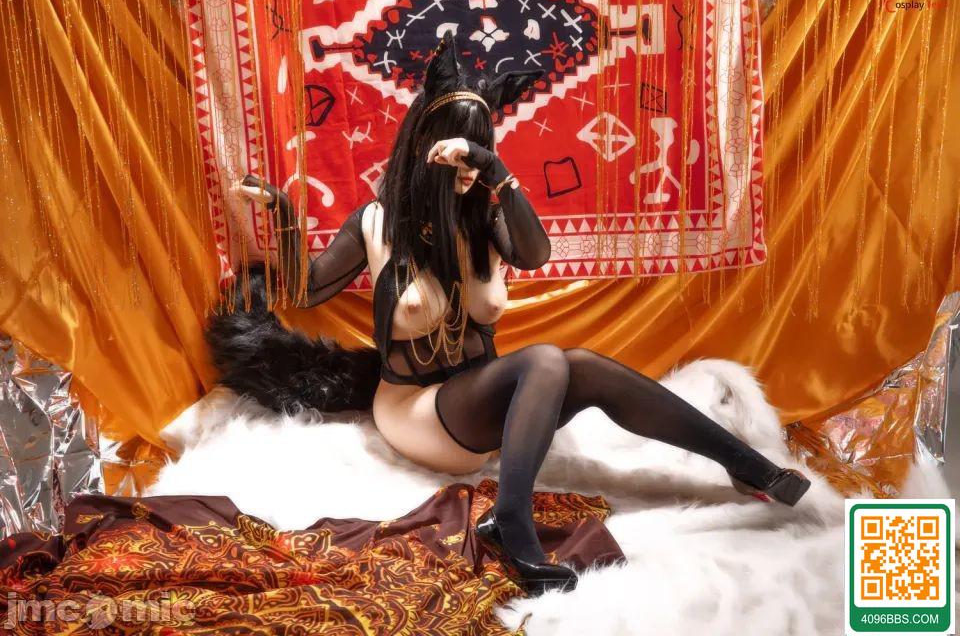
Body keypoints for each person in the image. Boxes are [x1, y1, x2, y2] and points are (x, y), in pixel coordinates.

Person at [227, 31, 811, 597]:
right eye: (459, 153)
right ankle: (512, 522)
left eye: (478, 154)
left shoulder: (485, 216)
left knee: (581, 365)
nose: (467, 171)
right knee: (547, 361)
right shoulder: (377, 223)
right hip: (417, 412)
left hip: (482, 409)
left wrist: (497, 175)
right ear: (426, 147)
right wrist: (283, 213)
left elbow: (535, 254)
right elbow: (306, 290)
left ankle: (747, 466)